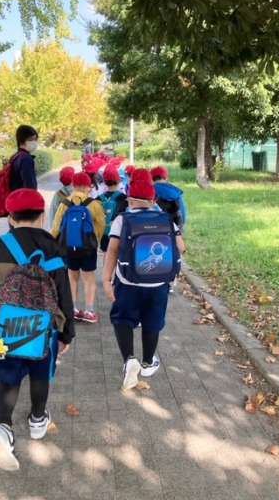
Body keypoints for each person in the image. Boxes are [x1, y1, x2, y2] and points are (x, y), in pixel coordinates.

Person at [0, 188, 74, 471]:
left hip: (3, 329)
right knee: (40, 373)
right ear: (42, 216)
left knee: (7, 377)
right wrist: (66, 332)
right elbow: (64, 293)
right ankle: (37, 419)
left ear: (10, 217)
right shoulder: (52, 246)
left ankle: (3, 428)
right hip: (44, 330)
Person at [102, 169, 186, 390]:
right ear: (153, 200)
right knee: (152, 321)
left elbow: (112, 250)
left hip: (127, 282)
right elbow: (181, 247)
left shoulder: (122, 219)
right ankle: (148, 362)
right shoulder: (167, 220)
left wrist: (106, 280)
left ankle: (129, 359)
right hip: (159, 284)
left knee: (122, 319)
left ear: (130, 199)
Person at [51, 172, 105, 324]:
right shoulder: (94, 204)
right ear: (88, 186)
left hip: (69, 247)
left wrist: (52, 244)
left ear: (73, 186)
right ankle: (89, 311)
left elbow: (56, 227)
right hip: (88, 248)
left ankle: (73, 309)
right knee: (89, 278)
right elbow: (101, 225)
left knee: (72, 277)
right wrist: (96, 241)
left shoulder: (64, 203)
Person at [98, 166, 128, 257]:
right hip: (119, 232)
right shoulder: (124, 198)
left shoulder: (98, 199)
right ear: (118, 180)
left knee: (106, 254)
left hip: (104, 232)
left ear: (104, 182)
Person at [10, 125, 39, 191]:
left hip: (14, 195)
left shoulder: (15, 156)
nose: (34, 142)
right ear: (22, 140)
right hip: (22, 196)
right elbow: (30, 187)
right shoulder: (26, 159)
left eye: (35, 139)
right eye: (31, 139)